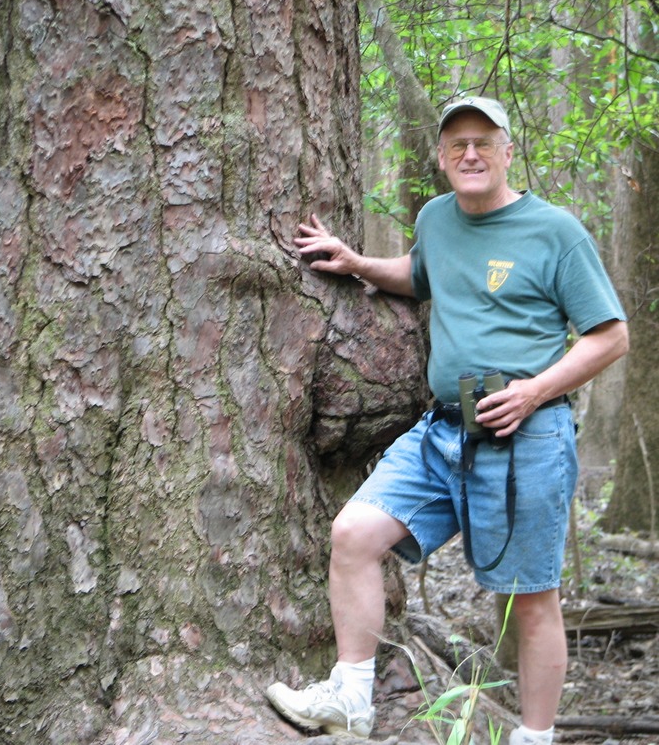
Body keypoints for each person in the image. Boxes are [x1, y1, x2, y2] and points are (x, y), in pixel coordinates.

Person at [265, 96, 629, 744]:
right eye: (457, 144)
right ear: (440, 157)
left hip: (529, 438)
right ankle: (351, 698)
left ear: (508, 151)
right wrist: (355, 264)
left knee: (530, 602)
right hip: (442, 434)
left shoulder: (556, 232)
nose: (470, 154)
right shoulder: (437, 218)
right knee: (353, 534)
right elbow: (418, 274)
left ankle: (534, 737)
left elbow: (610, 336)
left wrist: (535, 391)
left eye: (483, 142)